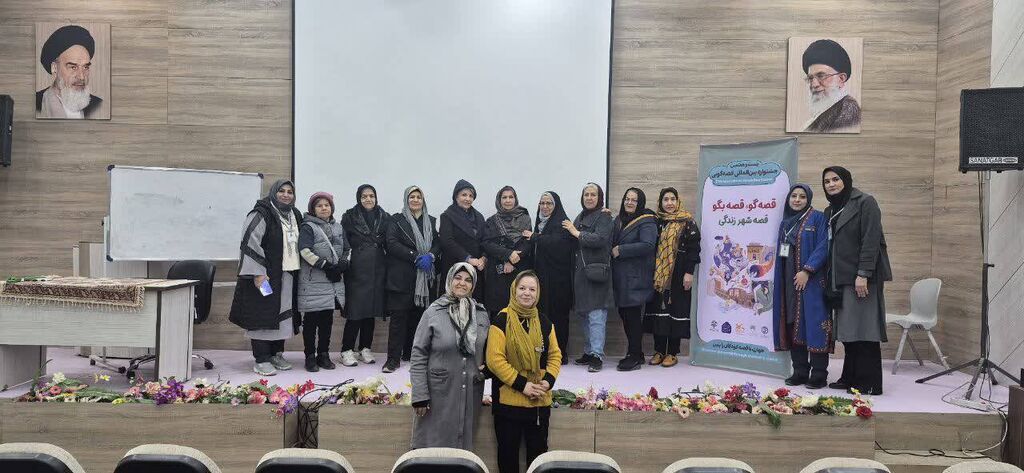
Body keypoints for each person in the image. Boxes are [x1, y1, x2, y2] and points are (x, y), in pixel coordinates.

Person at [822, 166, 891, 395]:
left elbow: (871, 240)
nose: (831, 184)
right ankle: (850, 376)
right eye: (827, 181)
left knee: (865, 329)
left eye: (835, 179)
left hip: (861, 278)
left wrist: (863, 274)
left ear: (846, 180)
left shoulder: (865, 203)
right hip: (840, 278)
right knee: (849, 330)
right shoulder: (830, 210)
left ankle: (868, 383)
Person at [486, 270, 562, 473]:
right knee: (508, 460)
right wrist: (523, 385)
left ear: (538, 293)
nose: (527, 293)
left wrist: (548, 381)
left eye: (532, 289)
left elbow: (555, 355)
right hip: (508, 404)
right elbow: (494, 360)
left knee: (538, 462)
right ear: (514, 290)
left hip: (538, 402)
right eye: (522, 288)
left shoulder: (545, 322)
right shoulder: (501, 320)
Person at [410, 262, 490, 449]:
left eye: (468, 280)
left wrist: (487, 370)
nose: (462, 283)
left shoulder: (481, 314)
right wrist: (420, 394)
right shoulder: (433, 312)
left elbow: (488, 350)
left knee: (463, 445)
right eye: (458, 278)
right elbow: (418, 354)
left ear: (473, 285)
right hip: (439, 392)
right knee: (433, 446)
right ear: (449, 280)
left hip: (470, 391)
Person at [229, 179, 303, 376]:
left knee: (283, 316)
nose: (286, 195)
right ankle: (261, 358)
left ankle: (276, 354)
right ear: (273, 192)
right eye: (281, 191)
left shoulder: (295, 214)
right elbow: (250, 243)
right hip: (264, 276)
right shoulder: (261, 213)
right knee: (262, 313)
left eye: (290, 192)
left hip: (288, 274)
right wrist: (258, 273)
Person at [772, 184, 830, 388]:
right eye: (794, 196)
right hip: (789, 282)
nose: (797, 200)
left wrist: (807, 270)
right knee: (793, 323)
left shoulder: (818, 218)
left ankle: (819, 374)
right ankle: (800, 371)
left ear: (809, 199)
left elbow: (824, 245)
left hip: (812, 281)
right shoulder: (785, 223)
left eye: (802, 196)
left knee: (814, 324)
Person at [383, 186, 441, 373]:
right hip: (401, 278)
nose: (415, 200)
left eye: (419, 197)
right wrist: (416, 256)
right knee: (398, 320)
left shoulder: (430, 221)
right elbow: (391, 243)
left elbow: (438, 243)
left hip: (424, 279)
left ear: (423, 201)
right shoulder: (396, 220)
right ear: (406, 200)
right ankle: (393, 359)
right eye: (412, 197)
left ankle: (411, 354)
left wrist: (431, 255)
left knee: (418, 319)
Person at [645, 187, 701, 368]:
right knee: (659, 311)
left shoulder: (688, 222)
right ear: (660, 202)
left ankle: (672, 352)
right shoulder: (656, 222)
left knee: (676, 310)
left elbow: (694, 249)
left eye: (672, 199)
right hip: (659, 275)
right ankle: (659, 351)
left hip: (679, 273)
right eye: (665, 199)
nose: (669, 203)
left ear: (678, 201)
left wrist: (689, 273)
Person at [297, 192, 351, 372]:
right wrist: (325, 265)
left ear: (331, 208)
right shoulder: (308, 227)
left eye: (326, 205)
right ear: (313, 209)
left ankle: (323, 354)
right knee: (311, 321)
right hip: (314, 281)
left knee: (327, 320)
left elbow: (347, 249)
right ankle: (309, 356)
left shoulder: (339, 227)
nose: (323, 208)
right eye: (319, 205)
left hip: (332, 282)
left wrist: (343, 264)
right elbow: (304, 251)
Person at [563, 182, 613, 372]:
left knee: (596, 316)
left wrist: (576, 232)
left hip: (596, 274)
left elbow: (600, 239)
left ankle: (597, 355)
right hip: (581, 275)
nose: (589, 198)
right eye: (586, 195)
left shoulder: (604, 216)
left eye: (593, 194)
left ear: (600, 198)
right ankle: (589, 351)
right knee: (584, 314)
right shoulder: (581, 216)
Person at [523, 192, 574, 364]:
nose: (545, 207)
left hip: (559, 281)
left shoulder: (563, 223)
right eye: (542, 203)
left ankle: (560, 354)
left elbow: (558, 244)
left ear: (556, 205)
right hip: (542, 279)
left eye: (549, 203)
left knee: (559, 317)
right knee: (543, 316)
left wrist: (535, 237)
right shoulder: (539, 224)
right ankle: (544, 353)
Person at [340, 184, 388, 367]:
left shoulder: (384, 216)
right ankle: (346, 350)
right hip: (356, 269)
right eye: (364, 196)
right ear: (359, 198)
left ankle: (365, 348)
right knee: (355, 312)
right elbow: (344, 243)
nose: (368, 199)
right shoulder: (349, 217)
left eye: (371, 196)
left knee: (371, 311)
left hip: (377, 269)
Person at [611, 188, 658, 372]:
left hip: (635, 278)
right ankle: (636, 354)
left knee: (632, 318)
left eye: (634, 200)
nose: (629, 203)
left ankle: (634, 355)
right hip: (622, 278)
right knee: (626, 316)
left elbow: (648, 245)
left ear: (640, 203)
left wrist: (621, 250)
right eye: (627, 199)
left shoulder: (647, 221)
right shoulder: (620, 219)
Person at [482, 186, 533, 314]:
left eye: (511, 197)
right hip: (497, 272)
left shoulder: (525, 218)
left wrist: (512, 261)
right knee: (498, 311)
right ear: (499, 200)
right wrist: (507, 255)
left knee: (518, 308)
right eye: (504, 197)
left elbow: (528, 242)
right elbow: (487, 243)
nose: (508, 200)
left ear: (515, 199)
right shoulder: (491, 221)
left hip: (519, 268)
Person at [36, 25, 104, 119]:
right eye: (73, 67)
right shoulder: (36, 103)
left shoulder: (98, 105)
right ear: (54, 68)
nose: (81, 77)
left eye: (85, 67)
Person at [439, 179, 487, 300]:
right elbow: (447, 241)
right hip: (455, 267)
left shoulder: (479, 217)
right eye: (464, 195)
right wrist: (468, 259)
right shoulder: (447, 216)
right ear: (456, 196)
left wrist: (483, 258)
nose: (467, 198)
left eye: (471, 196)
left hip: (476, 269)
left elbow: (485, 241)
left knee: (473, 304)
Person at [802, 39, 861, 132]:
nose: (814, 84)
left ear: (841, 79)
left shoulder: (848, 110)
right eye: (810, 78)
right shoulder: (822, 111)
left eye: (821, 76)